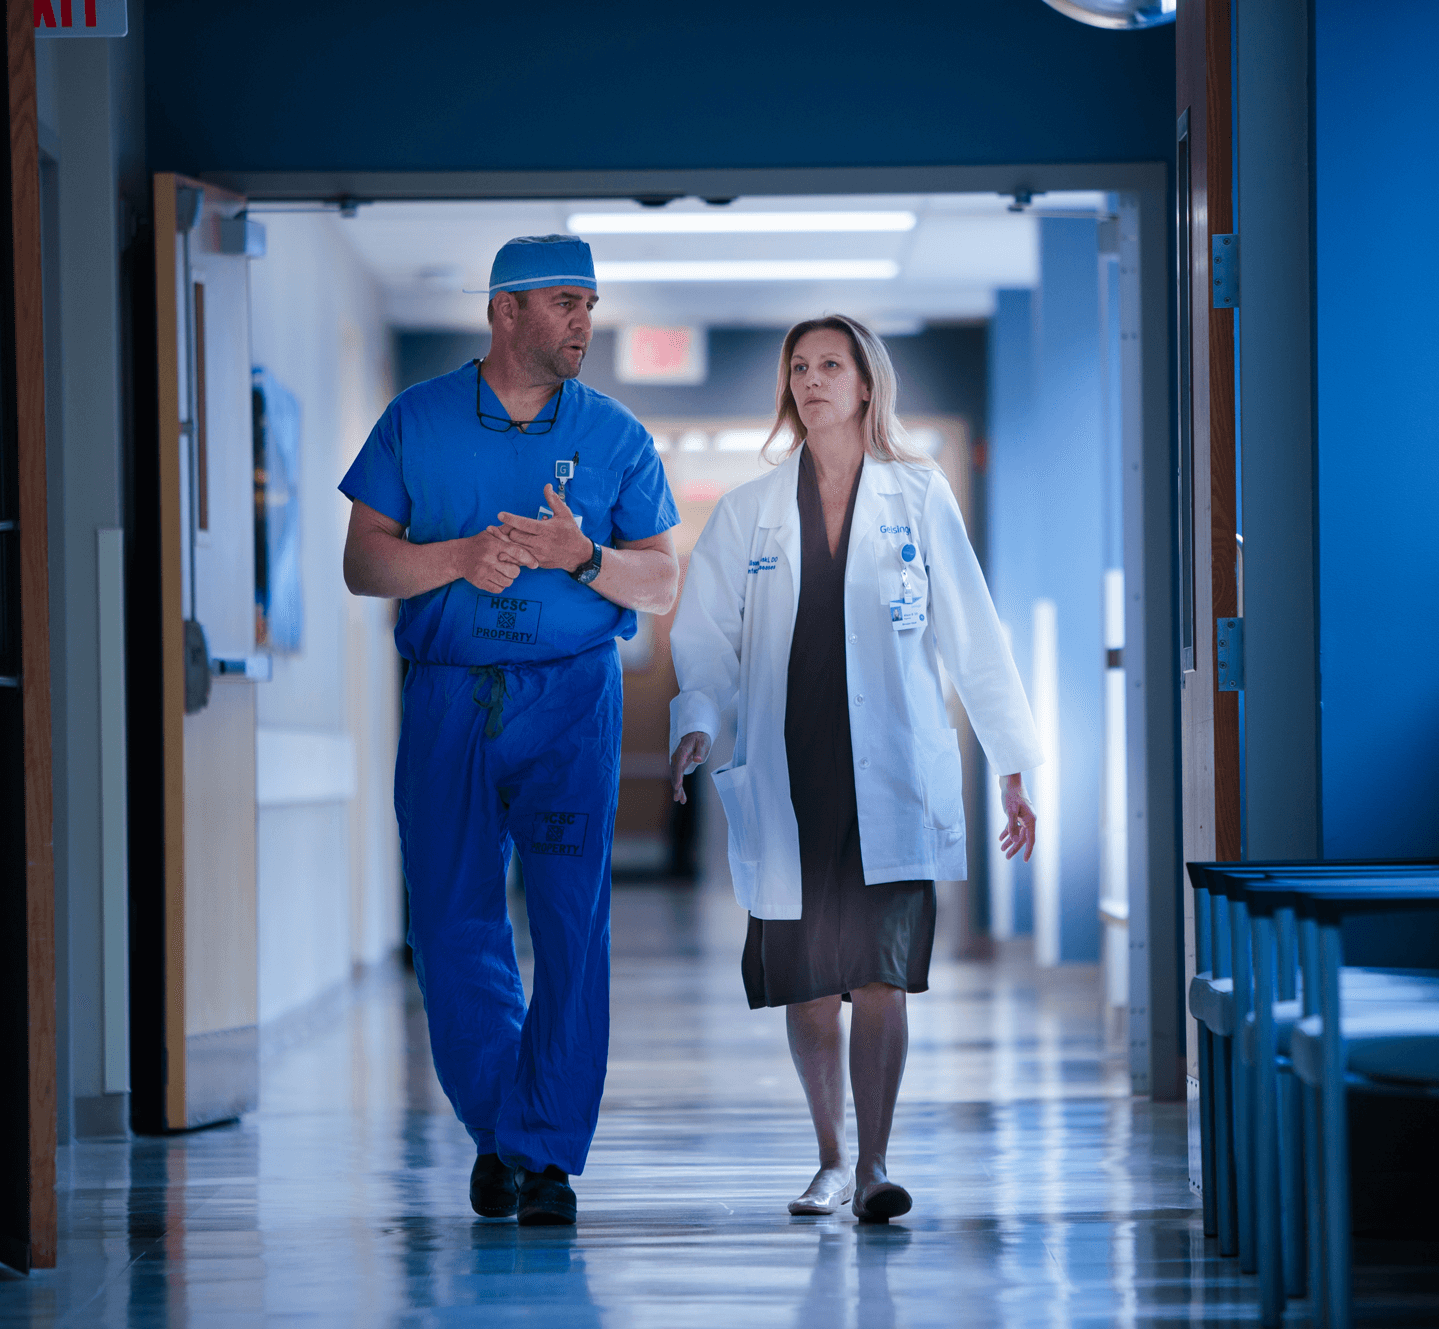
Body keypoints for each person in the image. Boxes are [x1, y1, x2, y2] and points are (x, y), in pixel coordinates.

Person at [339, 234, 681, 1226]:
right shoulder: (417, 420)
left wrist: (583, 559)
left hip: (572, 699)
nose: (584, 320)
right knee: (452, 923)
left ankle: (541, 1151)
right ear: (504, 311)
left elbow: (660, 580)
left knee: (572, 922)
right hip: (449, 694)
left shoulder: (616, 436)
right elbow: (365, 562)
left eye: (591, 302)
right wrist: (454, 559)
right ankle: (504, 1127)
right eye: (565, 301)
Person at [667, 315, 1040, 1223]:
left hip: (892, 780)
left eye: (831, 364)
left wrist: (1013, 763)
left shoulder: (918, 494)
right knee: (805, 979)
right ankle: (828, 1159)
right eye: (800, 366)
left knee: (878, 971)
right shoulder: (751, 510)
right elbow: (707, 633)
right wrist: (699, 721)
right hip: (793, 779)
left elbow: (972, 633)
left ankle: (875, 1164)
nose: (813, 379)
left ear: (866, 383)